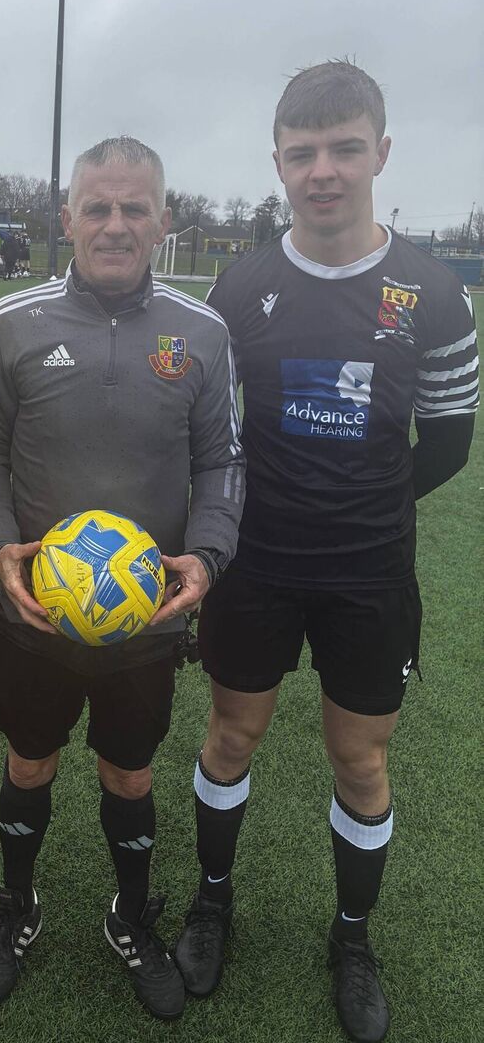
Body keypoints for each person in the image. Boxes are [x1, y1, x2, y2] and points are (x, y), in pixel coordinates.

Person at [176, 61, 478, 1043]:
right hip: (255, 565)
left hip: (368, 574)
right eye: (303, 152)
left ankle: (353, 936)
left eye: (345, 148)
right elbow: (214, 434)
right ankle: (212, 899)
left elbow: (448, 443)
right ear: (278, 162)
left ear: (380, 153)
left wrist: (363, 507)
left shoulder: (432, 294)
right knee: (231, 736)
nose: (324, 170)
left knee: (360, 759)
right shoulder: (243, 284)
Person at [0, 136, 244, 1020]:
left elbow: (225, 462)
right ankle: (17, 908)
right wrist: (0, 547)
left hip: (145, 621)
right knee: (30, 759)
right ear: (68, 217)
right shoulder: (14, 321)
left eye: (134, 209)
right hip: (34, 616)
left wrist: (208, 553)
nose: (115, 225)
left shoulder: (203, 333)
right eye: (98, 207)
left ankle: (131, 914)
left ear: (164, 220)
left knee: (130, 772)